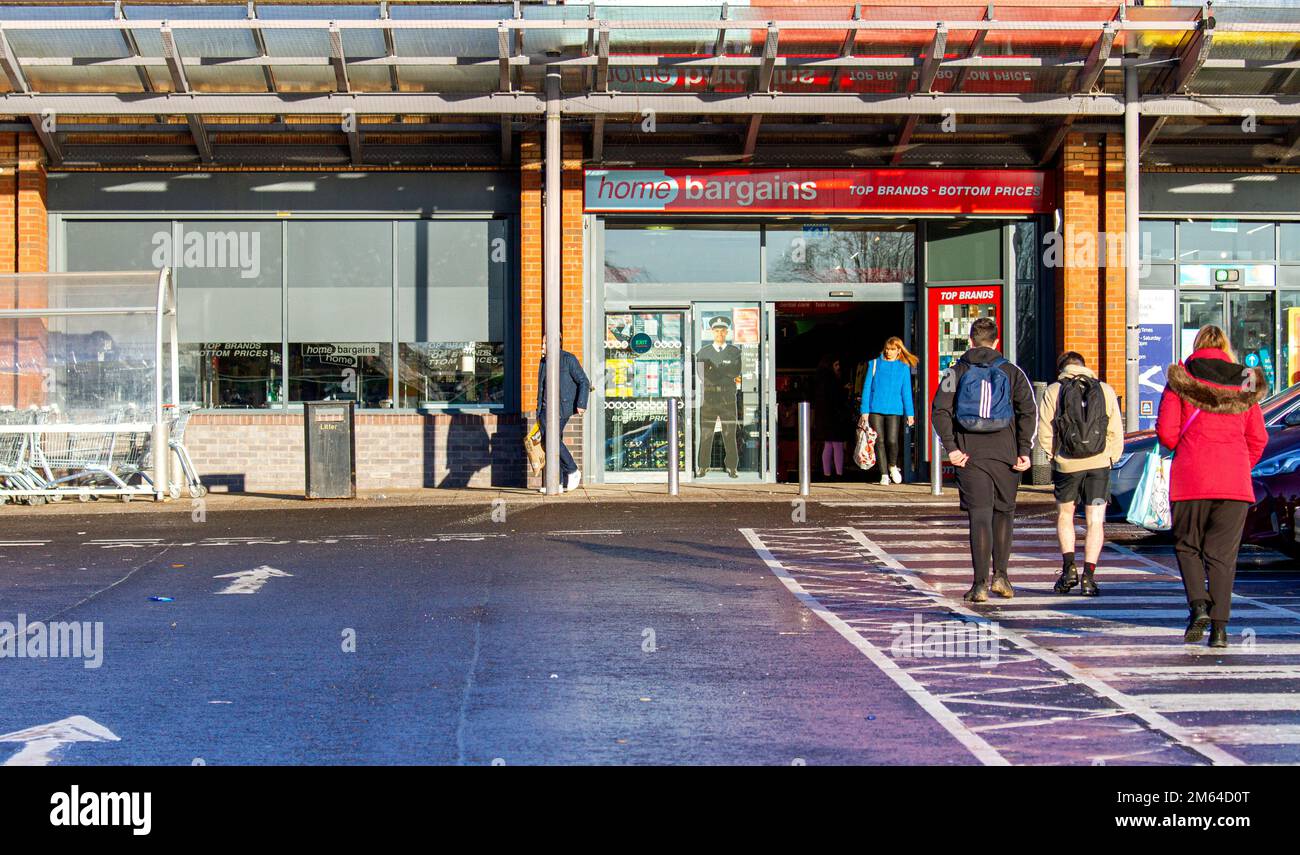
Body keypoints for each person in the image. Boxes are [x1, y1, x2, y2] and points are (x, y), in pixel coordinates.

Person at [1156, 325, 1267, 649]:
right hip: (1234, 483)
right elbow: (1258, 438)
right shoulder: (1245, 384)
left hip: (1191, 479)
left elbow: (1167, 433)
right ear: (1226, 349)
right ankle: (1220, 630)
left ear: (1197, 345)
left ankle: (1199, 606)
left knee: (1188, 546)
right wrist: (1237, 467)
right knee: (1222, 556)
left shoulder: (1182, 380)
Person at [931, 317, 1036, 603]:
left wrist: (951, 448)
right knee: (1004, 514)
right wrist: (1024, 449)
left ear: (971, 341)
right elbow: (1028, 411)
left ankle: (979, 585)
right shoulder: (1013, 372)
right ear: (996, 341)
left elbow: (939, 410)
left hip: (969, 454)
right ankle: (1001, 576)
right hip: (1007, 454)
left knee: (979, 517)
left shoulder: (955, 371)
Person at [1036, 351, 1123, 597]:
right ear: (1085, 367)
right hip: (1098, 465)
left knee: (1066, 515)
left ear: (1061, 369)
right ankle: (1089, 576)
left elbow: (1045, 431)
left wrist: (1056, 457)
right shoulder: (1104, 390)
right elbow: (1116, 428)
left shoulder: (1054, 390)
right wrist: (1110, 458)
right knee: (1095, 519)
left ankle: (1068, 568)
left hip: (1067, 465)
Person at [858, 336, 918, 486]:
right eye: (887, 349)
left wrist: (910, 413)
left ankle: (892, 465)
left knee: (892, 441)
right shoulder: (874, 364)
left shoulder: (903, 367)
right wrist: (864, 410)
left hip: (895, 409)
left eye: (892, 349)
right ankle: (884, 474)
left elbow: (906, 392)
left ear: (899, 350)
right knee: (879, 441)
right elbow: (866, 388)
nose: (889, 352)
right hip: (875, 408)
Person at [536, 337, 591, 494]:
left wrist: (581, 404)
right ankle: (557, 482)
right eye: (542, 343)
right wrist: (538, 410)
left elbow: (583, 381)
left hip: (562, 407)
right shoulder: (544, 362)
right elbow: (541, 387)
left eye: (545, 343)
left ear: (556, 343)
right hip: (545, 409)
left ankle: (572, 470)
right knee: (551, 443)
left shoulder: (568, 359)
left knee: (552, 441)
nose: (542, 346)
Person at [695, 315, 742, 478]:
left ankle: (732, 466)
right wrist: (723, 370)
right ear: (712, 332)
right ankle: (703, 466)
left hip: (727, 398)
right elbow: (702, 375)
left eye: (722, 331)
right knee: (706, 433)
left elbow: (735, 372)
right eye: (717, 331)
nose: (720, 334)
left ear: (727, 332)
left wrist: (714, 370)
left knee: (729, 433)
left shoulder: (734, 351)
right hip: (709, 398)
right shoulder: (703, 352)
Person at [813, 355, 851, 479]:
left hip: (825, 418)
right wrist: (844, 390)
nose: (838, 367)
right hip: (834, 417)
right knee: (837, 445)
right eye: (836, 365)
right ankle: (839, 473)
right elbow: (836, 399)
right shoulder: (832, 381)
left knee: (828, 444)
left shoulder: (821, 380)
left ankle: (827, 473)